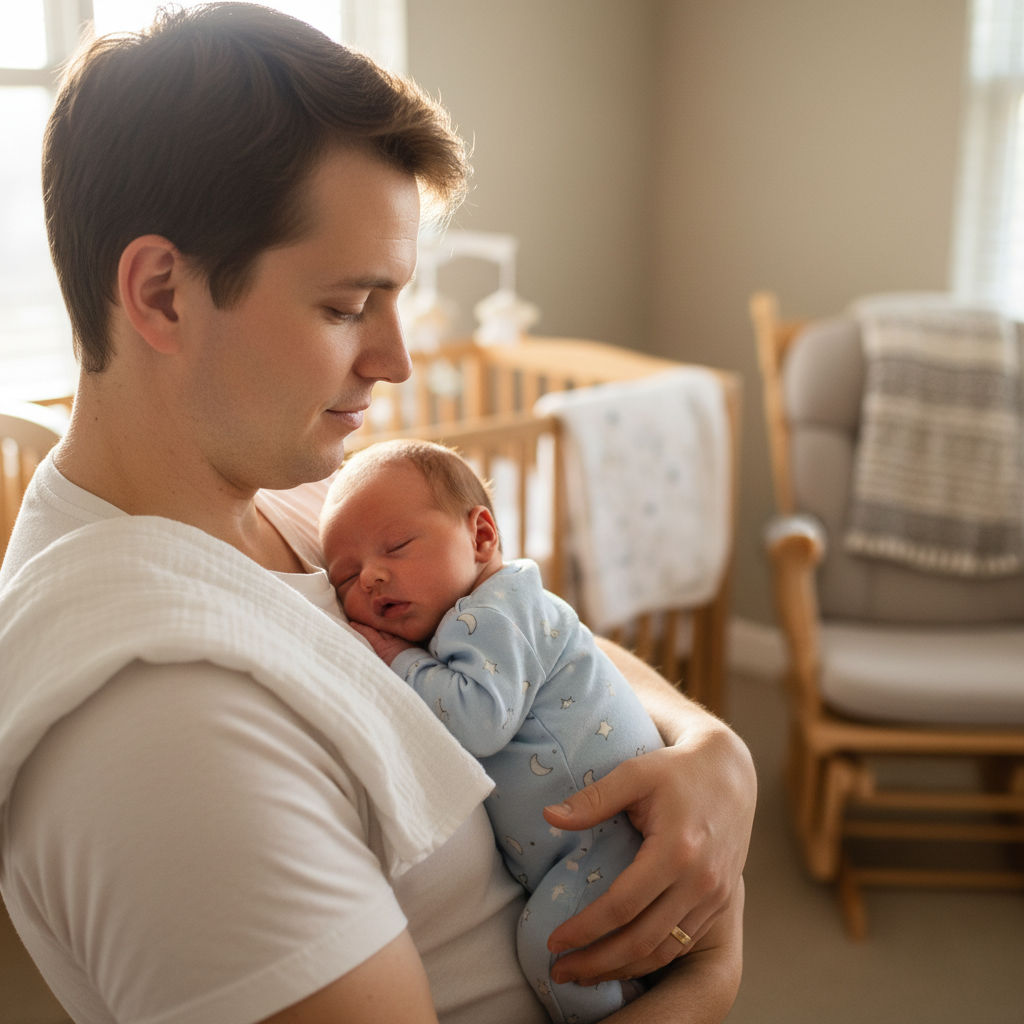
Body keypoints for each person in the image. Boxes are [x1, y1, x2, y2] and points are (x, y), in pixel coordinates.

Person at [0, 5, 755, 1024]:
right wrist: (711, 983)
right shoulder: (162, 736)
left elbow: (524, 627)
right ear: (163, 293)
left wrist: (710, 746)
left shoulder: (288, 494)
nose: (396, 360)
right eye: (347, 305)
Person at [319, 439, 668, 1024]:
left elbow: (479, 721)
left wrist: (395, 658)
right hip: (585, 842)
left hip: (607, 842)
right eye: (345, 577)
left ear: (481, 536)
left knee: (553, 947)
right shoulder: (477, 617)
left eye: (398, 546)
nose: (372, 578)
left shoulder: (491, 610)